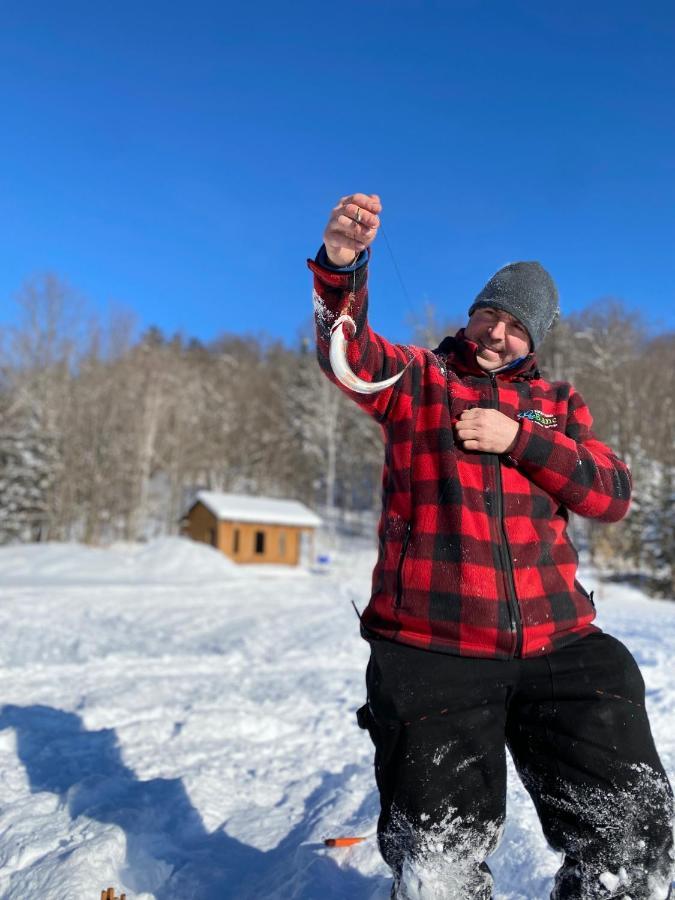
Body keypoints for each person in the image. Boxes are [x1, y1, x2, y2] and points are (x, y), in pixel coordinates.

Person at [307, 193, 674, 900]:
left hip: (559, 643)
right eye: (488, 314)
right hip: (432, 646)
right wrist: (341, 267)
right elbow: (345, 355)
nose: (496, 332)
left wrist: (521, 439)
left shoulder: (558, 405)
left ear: (533, 341)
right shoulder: (417, 380)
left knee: (629, 834)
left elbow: (611, 494)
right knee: (437, 856)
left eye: (514, 325)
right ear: (470, 315)